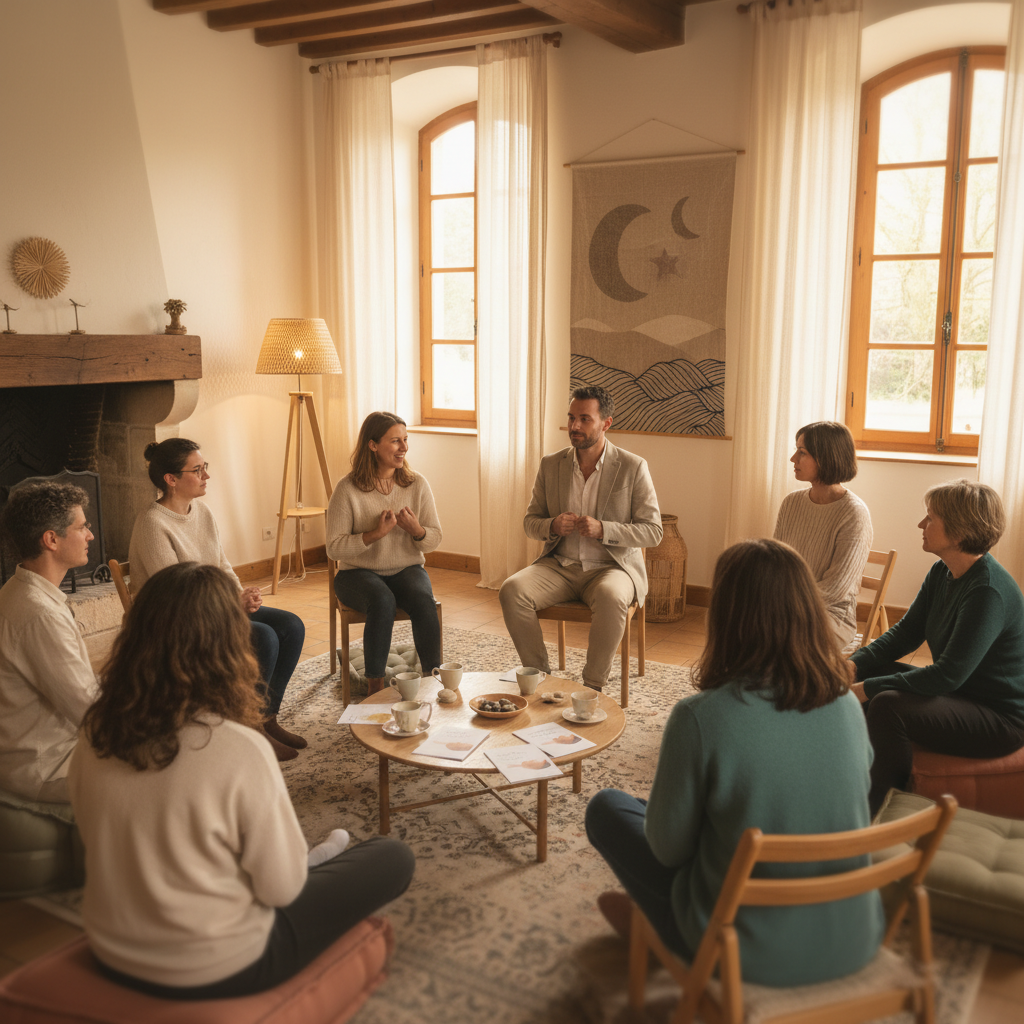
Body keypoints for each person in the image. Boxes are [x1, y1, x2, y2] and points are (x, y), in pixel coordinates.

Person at [69, 562, 415, 999]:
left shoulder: (95, 728)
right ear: (230, 644)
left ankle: (312, 857)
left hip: (112, 951)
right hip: (222, 965)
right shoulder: (238, 747)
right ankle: (316, 859)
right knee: (392, 855)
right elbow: (281, 889)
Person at [586, 539, 883, 987]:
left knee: (608, 807)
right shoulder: (846, 705)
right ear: (807, 611)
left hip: (743, 949)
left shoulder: (700, 717)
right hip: (853, 935)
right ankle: (655, 920)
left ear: (725, 616)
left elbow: (669, 851)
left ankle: (658, 930)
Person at [850, 480, 1024, 815]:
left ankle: (878, 808)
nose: (921, 524)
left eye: (931, 518)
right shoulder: (943, 570)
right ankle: (848, 774)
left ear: (959, 531)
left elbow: (946, 676)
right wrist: (854, 666)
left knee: (887, 704)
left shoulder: (987, 592)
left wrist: (865, 689)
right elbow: (905, 634)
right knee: (874, 672)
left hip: (1000, 719)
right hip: (963, 695)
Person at [128, 439, 306, 761]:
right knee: (263, 637)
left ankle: (267, 718)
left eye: (205, 468)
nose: (206, 476)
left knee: (291, 626)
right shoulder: (153, 524)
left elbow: (221, 564)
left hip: (213, 609)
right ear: (171, 479)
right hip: (176, 622)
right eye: (197, 470)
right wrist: (230, 606)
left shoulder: (203, 512)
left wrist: (242, 595)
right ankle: (249, 728)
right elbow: (175, 595)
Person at [499, 386, 662, 692]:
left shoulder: (632, 467)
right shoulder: (551, 464)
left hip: (611, 568)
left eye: (585, 419)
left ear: (606, 423)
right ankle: (539, 677)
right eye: (571, 417)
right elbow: (530, 523)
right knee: (512, 590)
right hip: (559, 565)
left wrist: (605, 529)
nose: (574, 426)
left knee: (613, 597)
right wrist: (552, 525)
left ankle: (592, 688)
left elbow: (653, 531)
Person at [327, 412, 442, 695]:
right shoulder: (347, 489)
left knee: (423, 599)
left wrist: (417, 530)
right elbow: (334, 547)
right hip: (356, 574)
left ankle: (433, 677)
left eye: (405, 440)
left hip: (406, 569)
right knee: (382, 600)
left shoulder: (417, 484)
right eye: (395, 441)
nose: (403, 447)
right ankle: (374, 687)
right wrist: (373, 535)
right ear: (373, 445)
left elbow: (434, 538)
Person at [0, 482, 97, 803]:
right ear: (51, 539)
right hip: (49, 767)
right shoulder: (39, 614)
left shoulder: (18, 591)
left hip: (47, 753)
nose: (90, 536)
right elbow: (90, 711)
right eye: (82, 527)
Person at [773, 421, 872, 646]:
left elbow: (835, 589)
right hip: (787, 607)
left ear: (826, 457)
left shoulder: (853, 513)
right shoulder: (791, 502)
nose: (793, 459)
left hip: (831, 617)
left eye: (802, 452)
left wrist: (782, 607)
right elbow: (776, 564)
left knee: (772, 635)